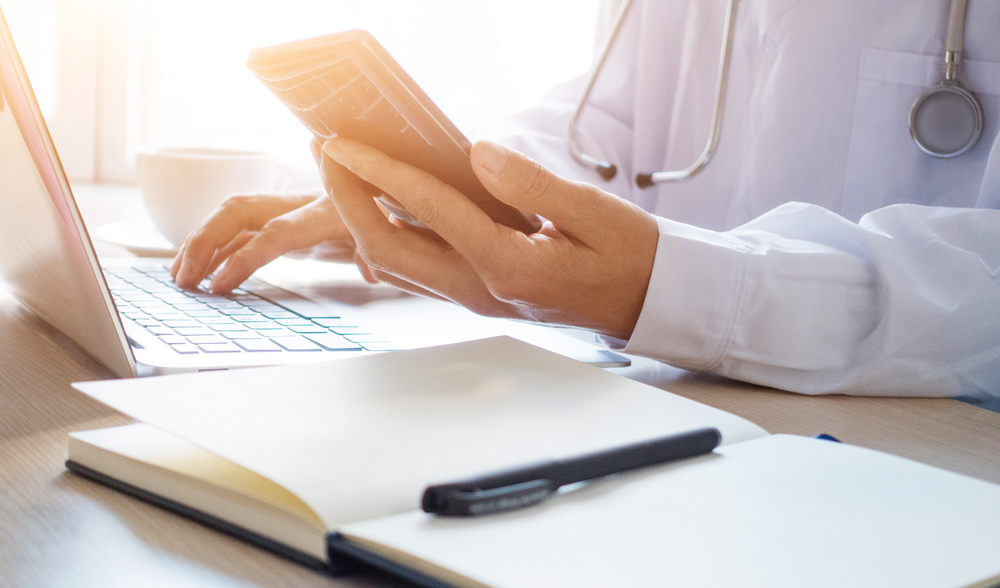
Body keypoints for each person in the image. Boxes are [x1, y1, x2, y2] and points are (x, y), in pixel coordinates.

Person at [170, 0, 1000, 398]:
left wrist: (667, 291)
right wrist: (447, 194)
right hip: (673, 399)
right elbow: (604, 127)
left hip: (926, 456)